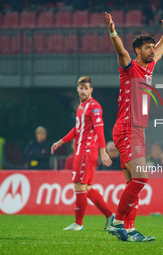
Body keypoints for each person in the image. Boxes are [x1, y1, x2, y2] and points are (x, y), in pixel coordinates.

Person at [105, 12, 163, 242]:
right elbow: (121, 51)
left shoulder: (148, 69)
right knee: (141, 178)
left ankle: (130, 229)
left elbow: (160, 51)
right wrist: (113, 31)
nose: (151, 51)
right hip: (127, 128)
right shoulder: (130, 68)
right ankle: (117, 222)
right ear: (138, 51)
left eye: (151, 47)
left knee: (132, 181)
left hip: (137, 128)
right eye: (147, 48)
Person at [51, 76, 114, 231]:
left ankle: (78, 223)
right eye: (81, 88)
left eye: (86, 88)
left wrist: (103, 152)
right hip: (81, 150)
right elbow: (78, 128)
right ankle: (110, 216)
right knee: (86, 188)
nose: (83, 90)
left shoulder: (94, 107)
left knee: (79, 185)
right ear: (77, 88)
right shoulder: (81, 106)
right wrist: (61, 141)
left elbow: (100, 129)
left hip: (87, 151)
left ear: (91, 90)